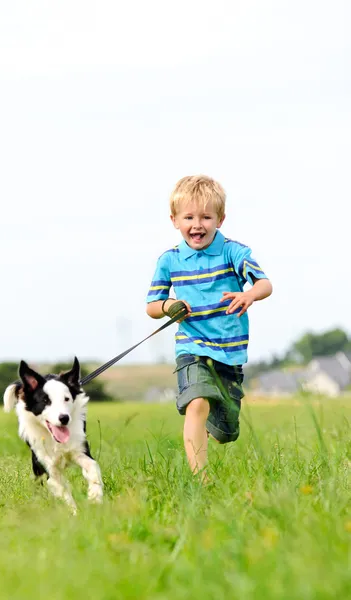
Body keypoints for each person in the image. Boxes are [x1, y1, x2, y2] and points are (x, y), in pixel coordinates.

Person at [146, 175, 272, 480]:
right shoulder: (170, 260)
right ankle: (201, 480)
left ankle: (214, 428)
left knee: (226, 433)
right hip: (191, 346)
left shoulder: (234, 252)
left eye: (205, 217)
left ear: (220, 219)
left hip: (229, 353)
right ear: (175, 220)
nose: (197, 224)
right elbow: (152, 306)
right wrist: (169, 306)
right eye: (189, 217)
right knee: (196, 401)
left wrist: (248, 294)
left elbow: (265, 284)